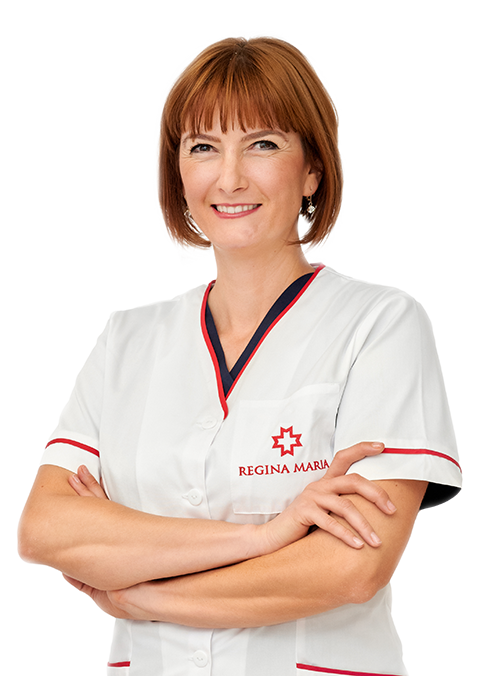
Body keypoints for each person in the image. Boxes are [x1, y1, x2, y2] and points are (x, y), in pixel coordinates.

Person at [18, 36, 461, 676]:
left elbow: (352, 565)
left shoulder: (381, 325)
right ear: (178, 172)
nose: (229, 178)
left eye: (263, 144)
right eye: (203, 147)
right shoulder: (127, 340)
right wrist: (267, 536)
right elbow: (45, 530)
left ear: (312, 170)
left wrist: (139, 591)